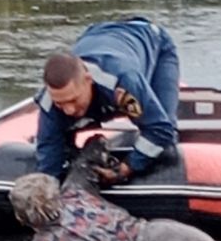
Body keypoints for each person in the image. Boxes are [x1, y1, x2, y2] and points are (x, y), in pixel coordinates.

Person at [9, 137, 221, 241]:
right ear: (54, 191)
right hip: (163, 232)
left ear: (20, 218)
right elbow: (94, 148)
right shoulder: (75, 192)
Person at [35, 17, 180, 185]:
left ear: (88, 80)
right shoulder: (49, 104)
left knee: (166, 146)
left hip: (150, 40)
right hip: (96, 34)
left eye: (73, 100)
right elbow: (49, 160)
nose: (69, 110)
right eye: (60, 104)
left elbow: (160, 130)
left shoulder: (123, 83)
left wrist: (125, 168)